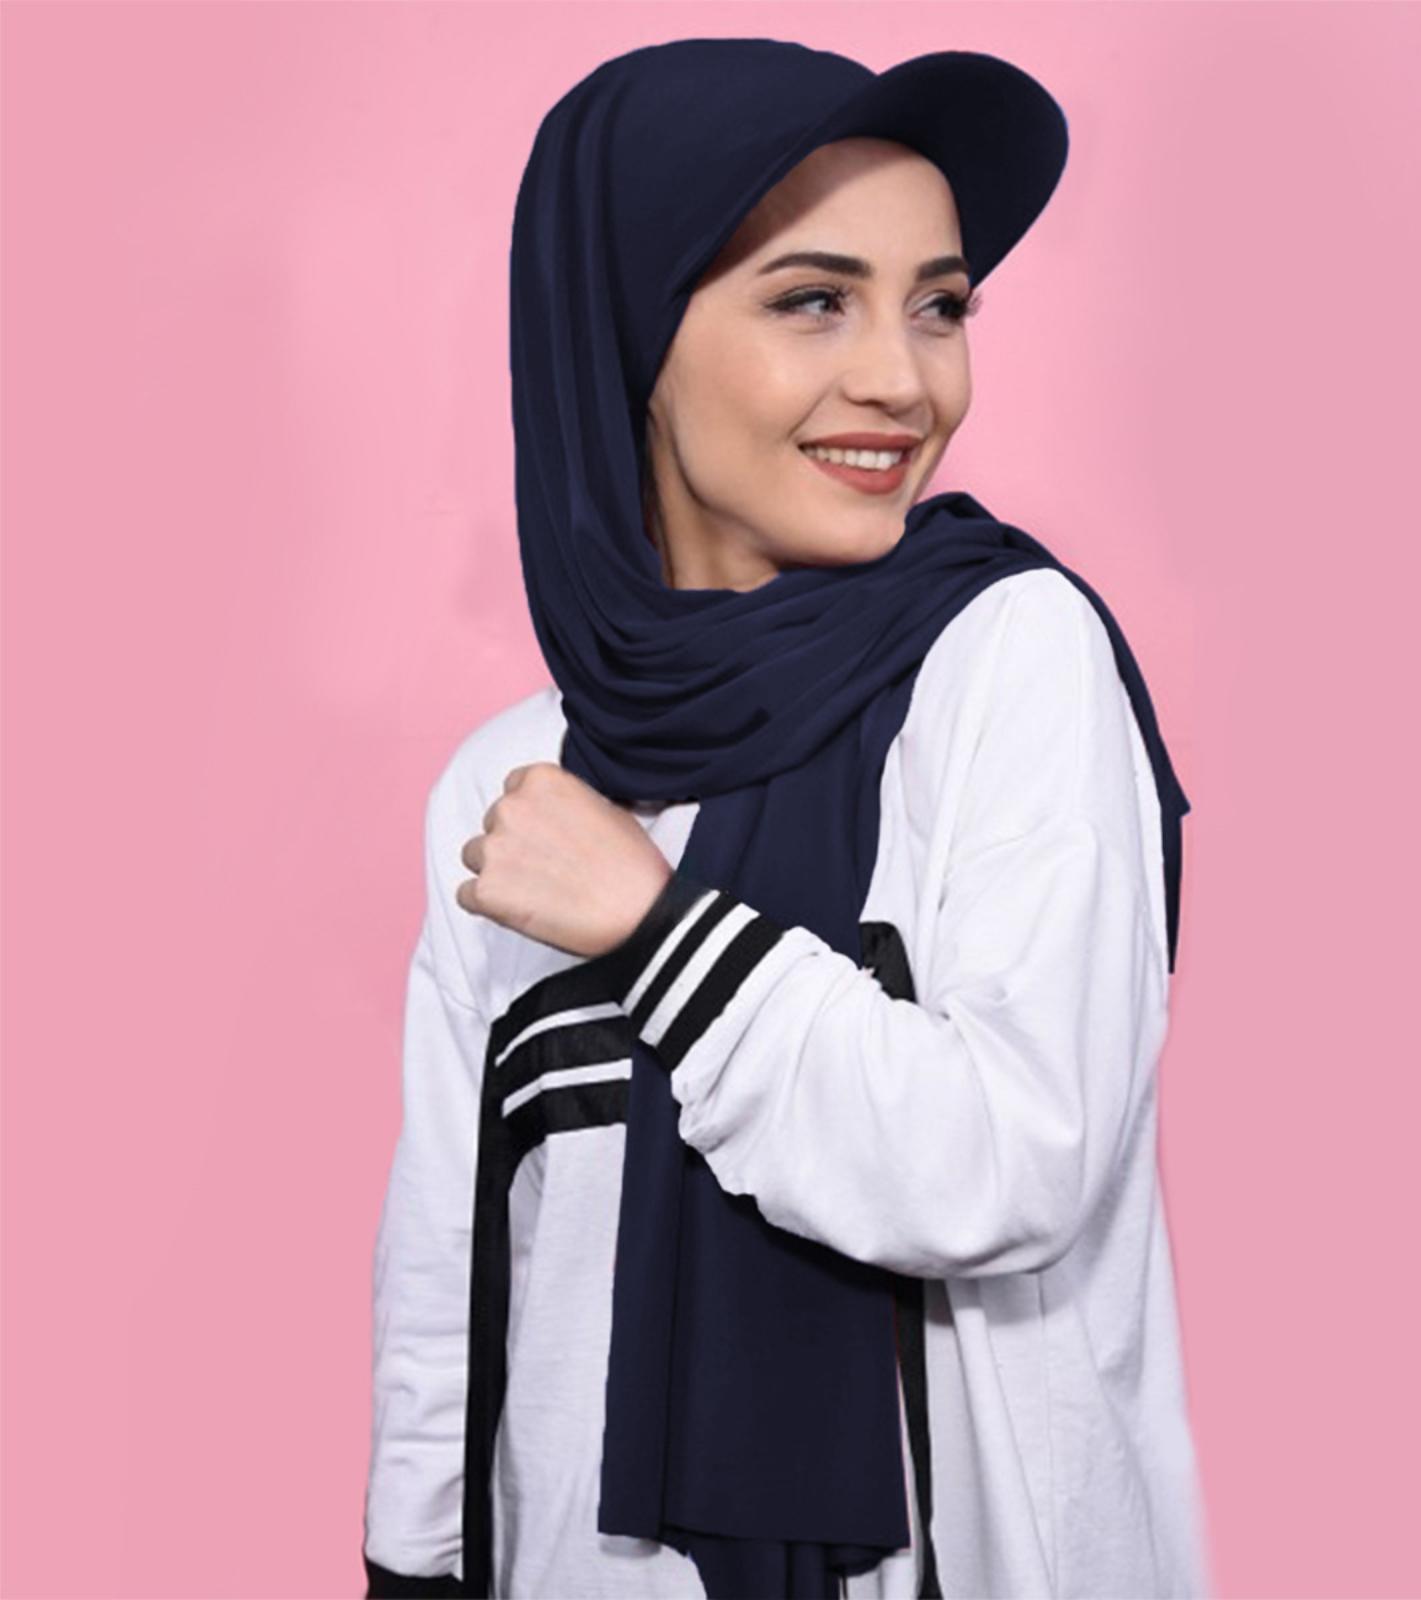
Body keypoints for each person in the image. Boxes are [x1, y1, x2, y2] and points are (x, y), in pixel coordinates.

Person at [362, 38, 1211, 1600]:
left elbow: (1012, 1164)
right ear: (632, 333)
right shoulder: (513, 784)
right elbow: (460, 1267)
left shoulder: (1005, 663)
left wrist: (660, 933)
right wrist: (411, 1564)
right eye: (815, 300)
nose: (905, 380)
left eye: (940, 305)